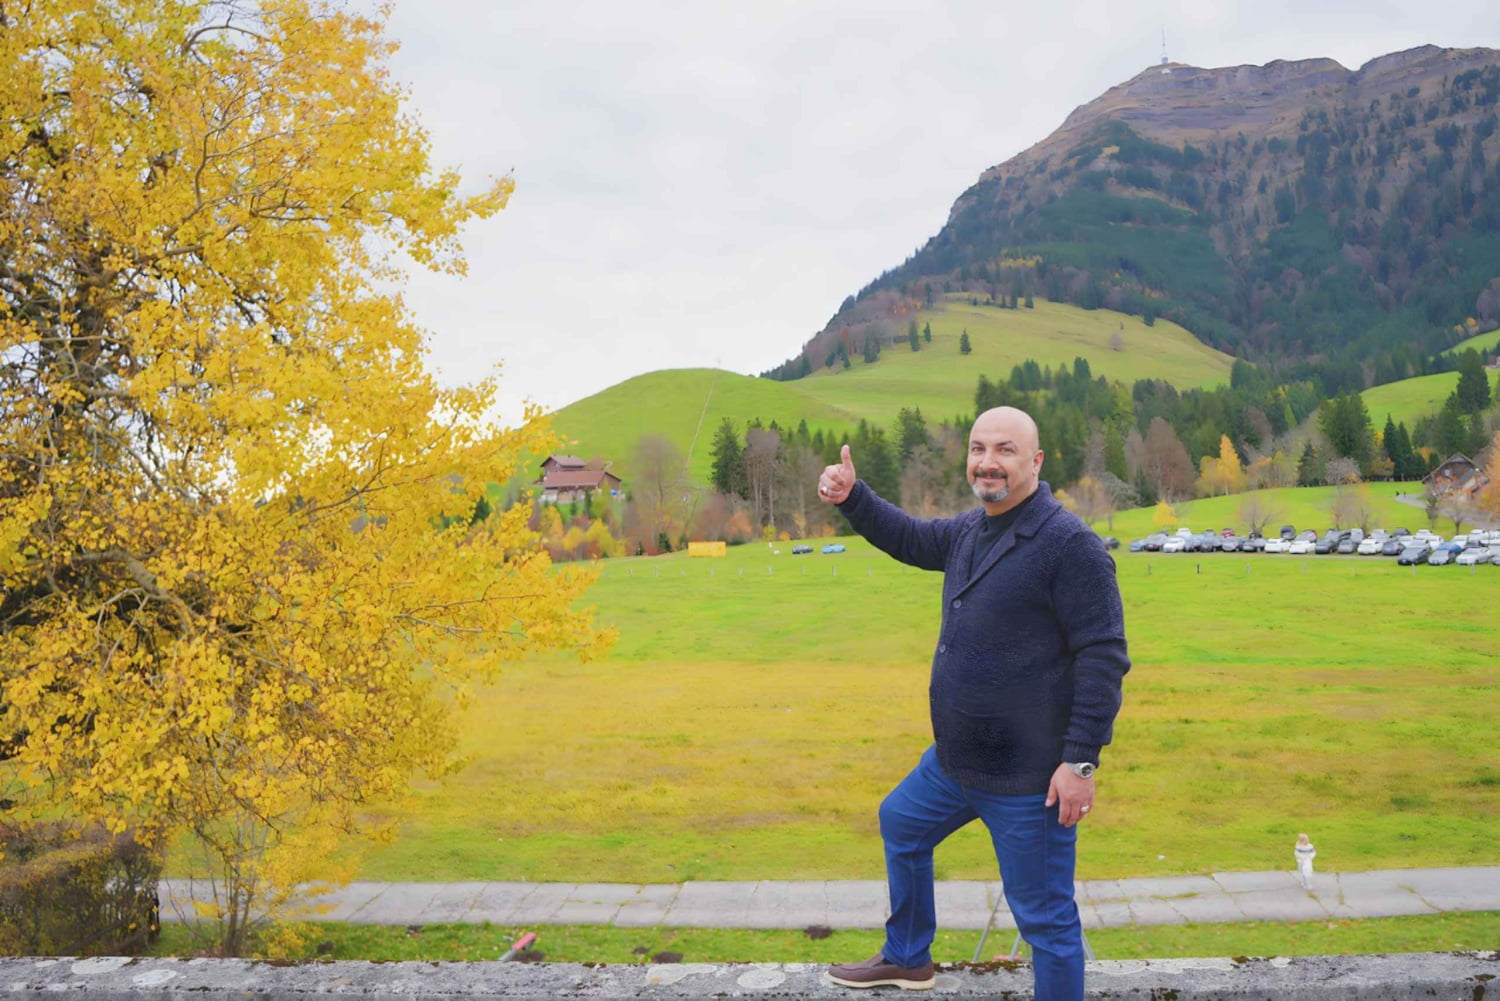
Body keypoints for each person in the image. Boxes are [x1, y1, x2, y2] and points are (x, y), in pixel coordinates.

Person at [816, 406, 1130, 1000]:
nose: (988, 461)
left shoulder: (1070, 546)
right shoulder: (970, 530)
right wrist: (854, 496)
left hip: (1028, 781)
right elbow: (908, 537)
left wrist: (1081, 762)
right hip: (956, 763)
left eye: (1006, 450)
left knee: (1045, 921)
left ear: (1035, 462)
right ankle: (908, 957)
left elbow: (1104, 655)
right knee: (901, 822)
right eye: (978, 447)